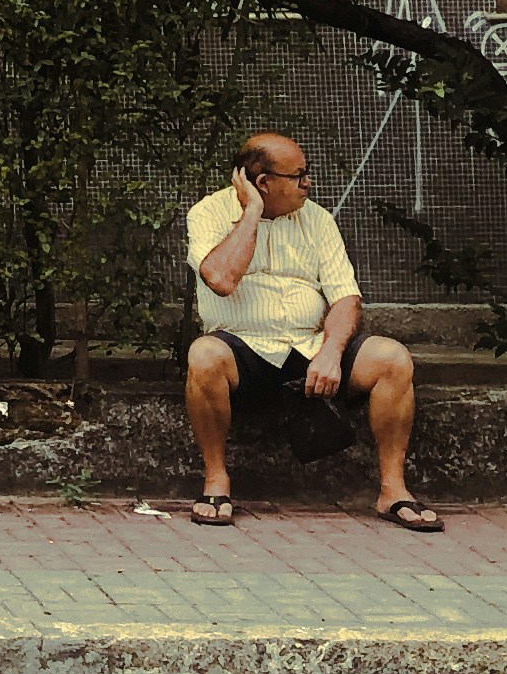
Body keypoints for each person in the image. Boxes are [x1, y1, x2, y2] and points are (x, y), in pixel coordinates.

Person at [183, 134, 441, 532]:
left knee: (392, 358)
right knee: (203, 356)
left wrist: (331, 351)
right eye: (298, 175)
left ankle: (393, 490)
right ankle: (216, 481)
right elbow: (220, 278)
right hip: (243, 350)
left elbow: (345, 299)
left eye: (307, 174)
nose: (309, 183)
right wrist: (252, 213)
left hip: (311, 347)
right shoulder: (208, 213)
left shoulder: (317, 219)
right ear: (263, 182)